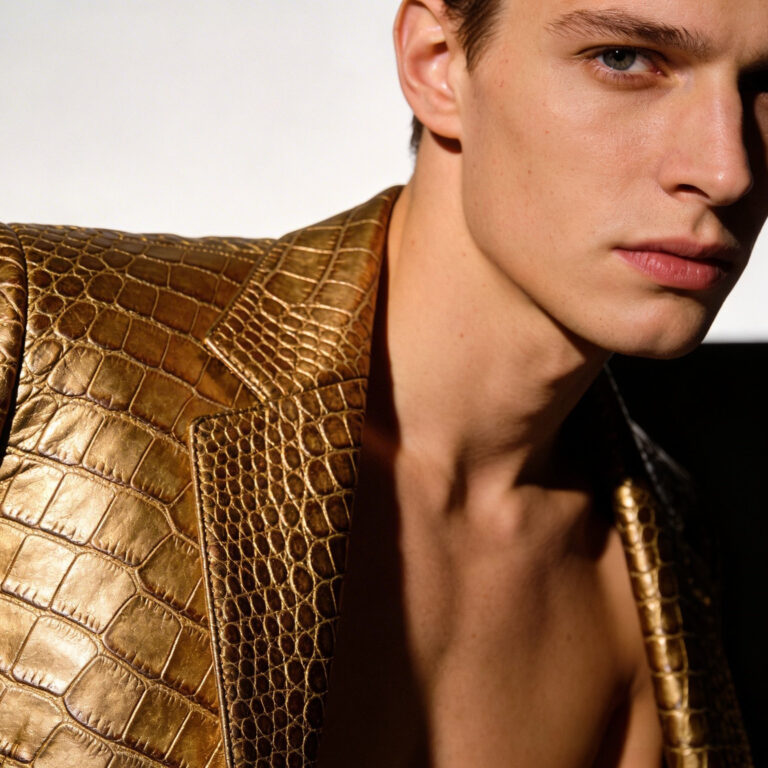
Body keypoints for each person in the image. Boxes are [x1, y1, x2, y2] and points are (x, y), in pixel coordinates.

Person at [0, 0, 765, 767]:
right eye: (624, 59)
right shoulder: (40, 333)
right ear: (437, 64)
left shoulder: (669, 565)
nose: (726, 170)